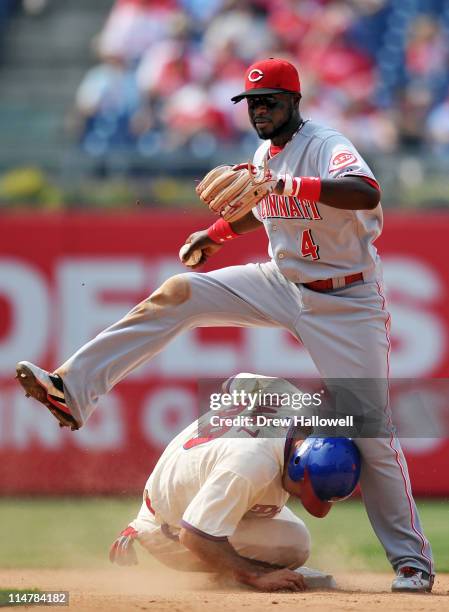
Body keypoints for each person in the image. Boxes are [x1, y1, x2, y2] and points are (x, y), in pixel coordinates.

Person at [16, 58, 433, 592]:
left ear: (294, 102)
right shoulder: (264, 156)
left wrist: (282, 183)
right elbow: (261, 207)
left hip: (345, 299)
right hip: (283, 282)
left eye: (270, 101)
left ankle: (411, 563)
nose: (259, 110)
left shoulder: (327, 144)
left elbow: (366, 192)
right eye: (252, 102)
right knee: (180, 292)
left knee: (370, 430)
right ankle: (72, 389)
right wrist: (215, 232)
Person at [108, 374, 359, 592]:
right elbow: (193, 536)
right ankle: (240, 574)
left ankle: (243, 563)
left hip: (188, 486)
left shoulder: (290, 399)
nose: (301, 497)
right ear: (296, 464)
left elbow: (232, 384)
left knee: (282, 525)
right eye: (304, 490)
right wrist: (256, 574)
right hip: (168, 528)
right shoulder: (253, 465)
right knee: (293, 545)